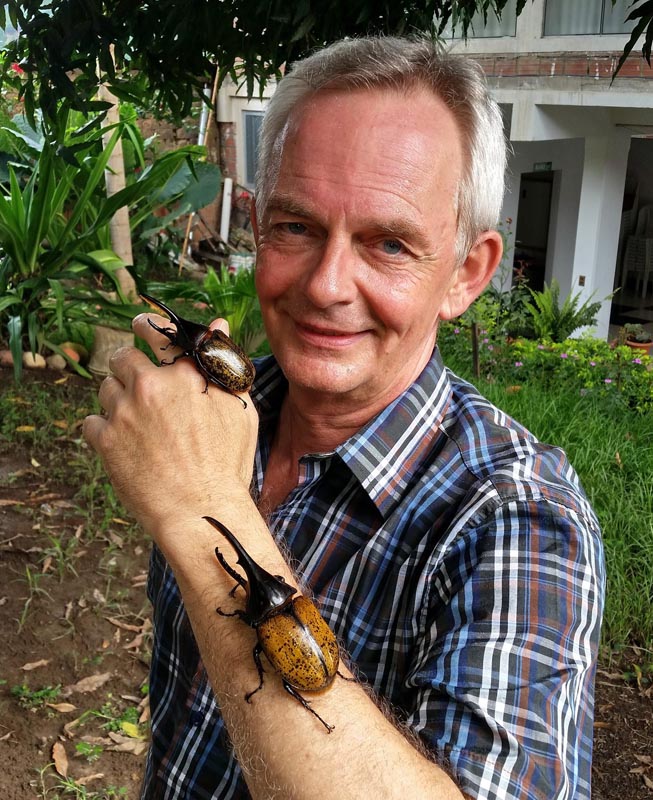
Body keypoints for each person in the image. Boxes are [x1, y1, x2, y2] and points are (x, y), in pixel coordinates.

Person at [83, 35, 605, 800]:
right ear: (258, 229)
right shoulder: (223, 413)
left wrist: (204, 514)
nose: (327, 285)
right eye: (295, 228)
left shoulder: (518, 519)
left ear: (466, 273)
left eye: (389, 244)